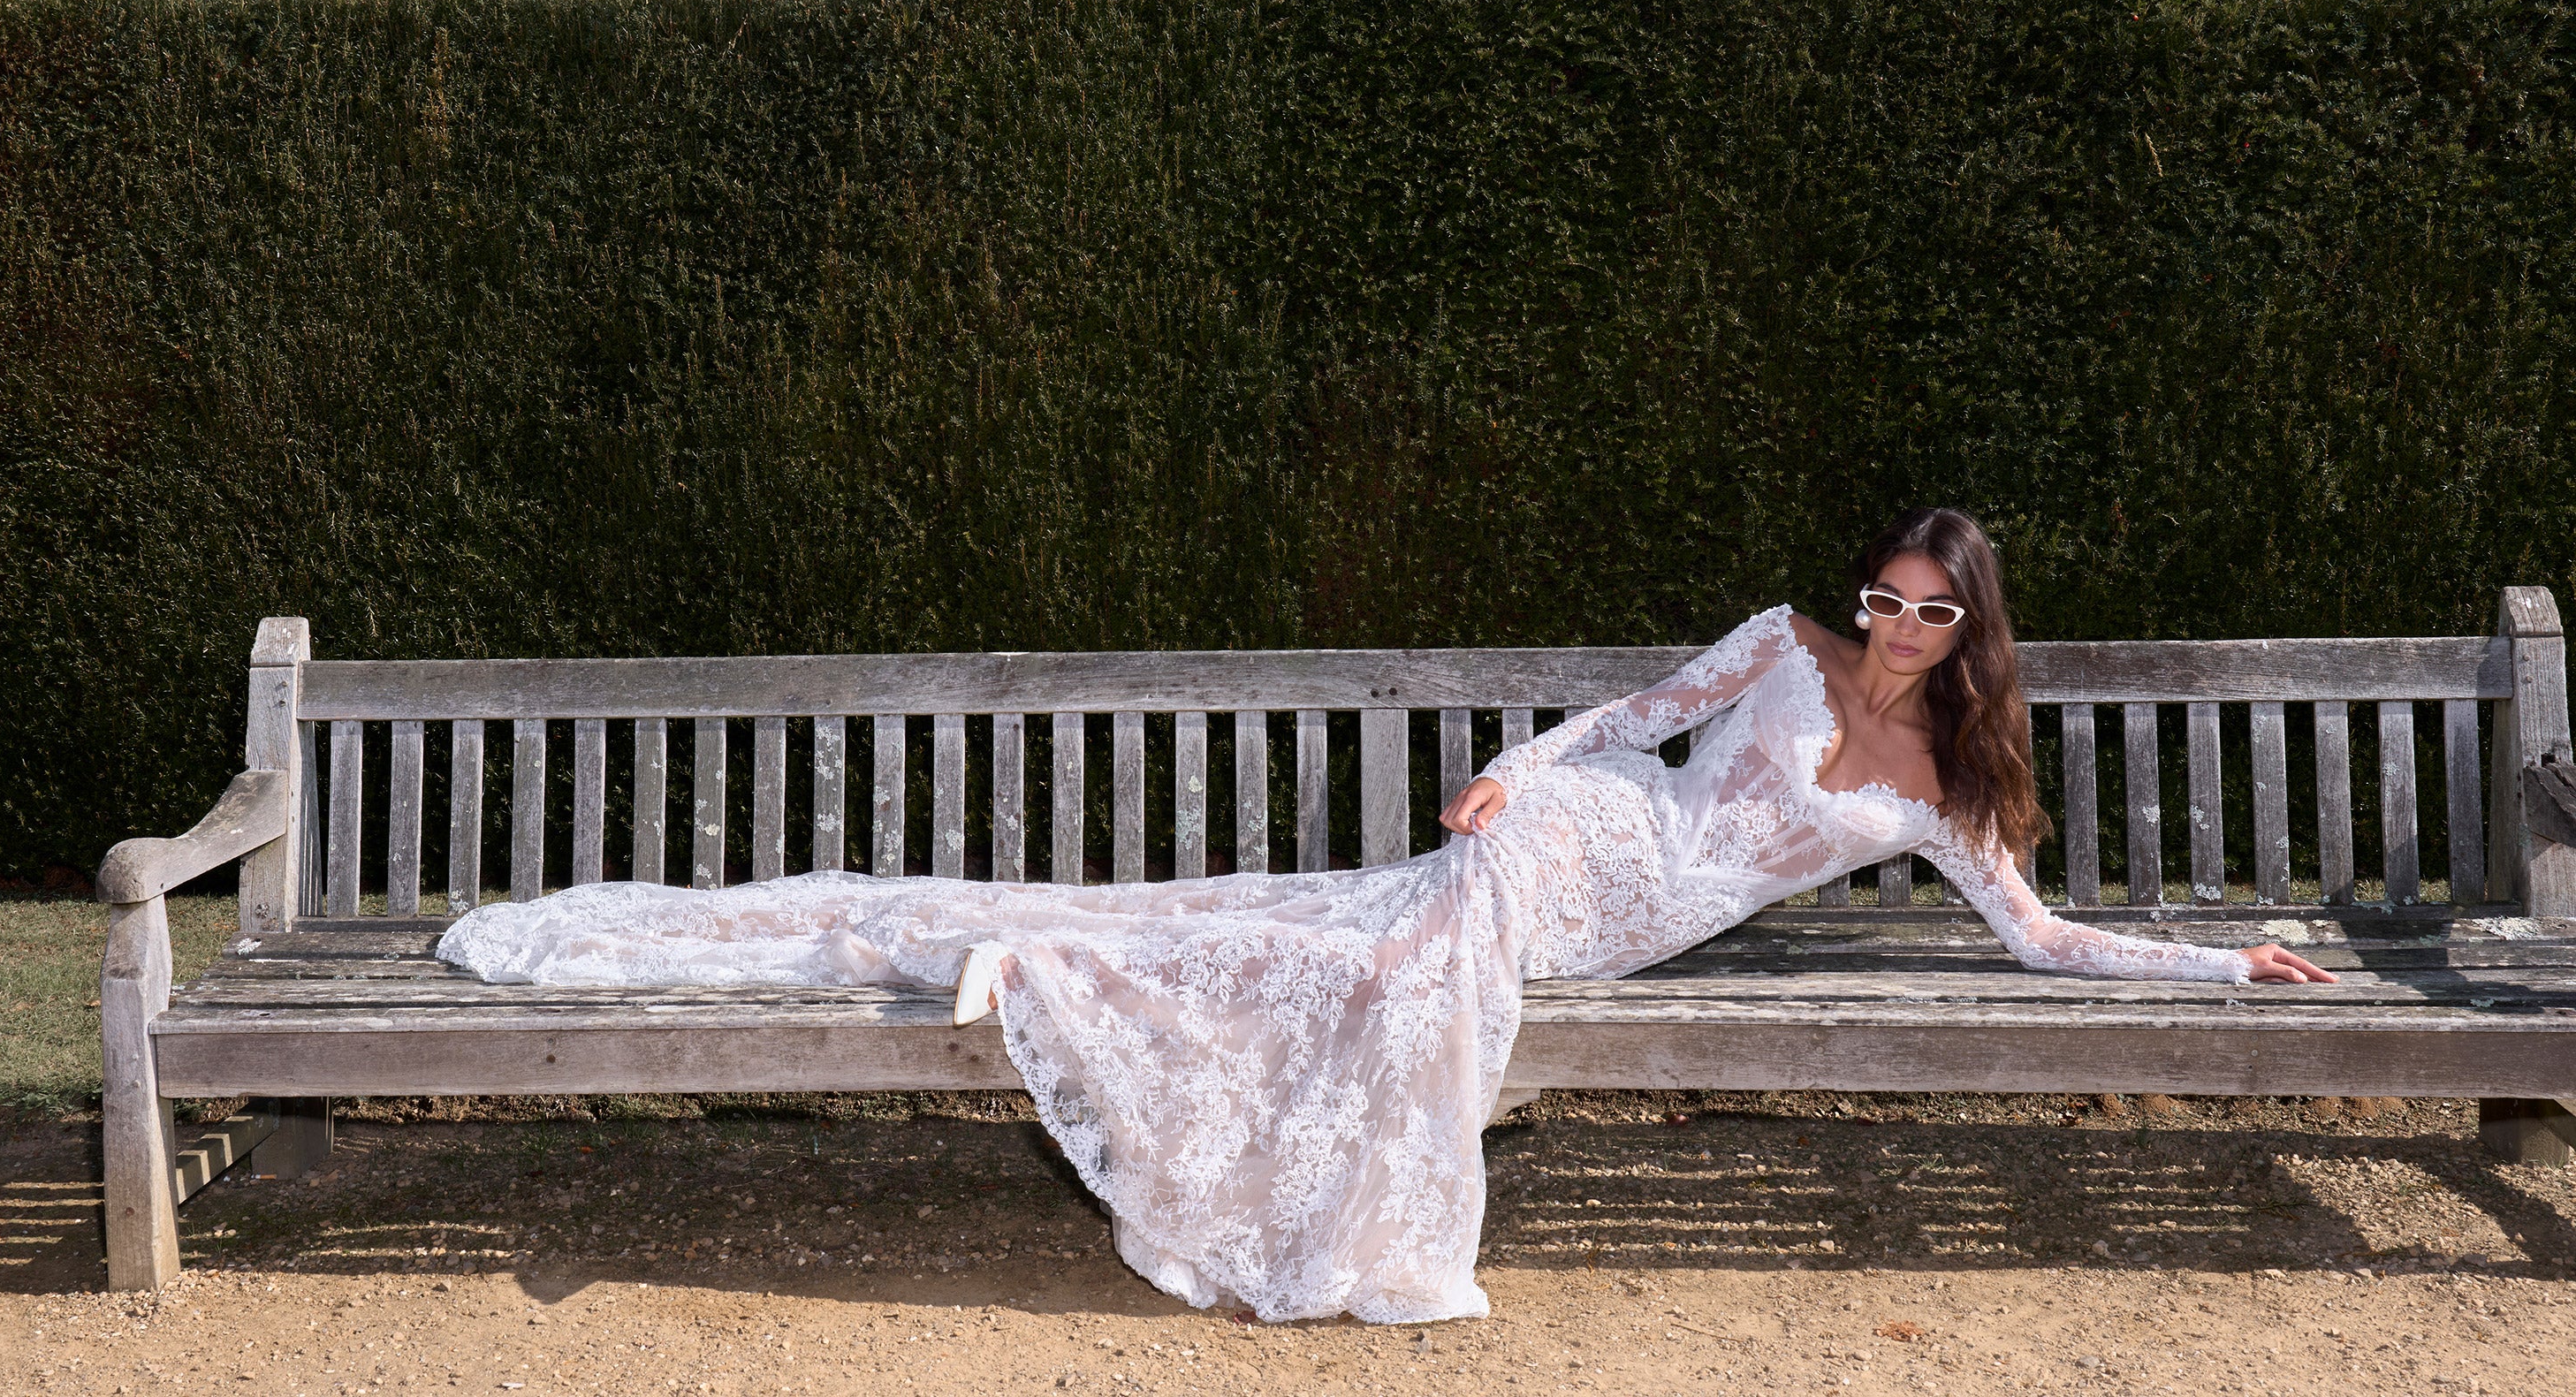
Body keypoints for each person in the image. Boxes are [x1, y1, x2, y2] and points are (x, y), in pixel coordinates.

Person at [437, 506, 2334, 1325]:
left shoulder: (1940, 792)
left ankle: (1067, 961)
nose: (1901, 623)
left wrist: (2214, 966)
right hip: (1562, 836)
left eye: (1934, 608)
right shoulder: (1777, 643)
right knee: (1386, 945)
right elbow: (1631, 719)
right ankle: (1042, 962)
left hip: (1623, 922)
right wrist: (1517, 768)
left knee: (1341, 955)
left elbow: (2042, 939)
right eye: (1889, 593)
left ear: (1972, 628)